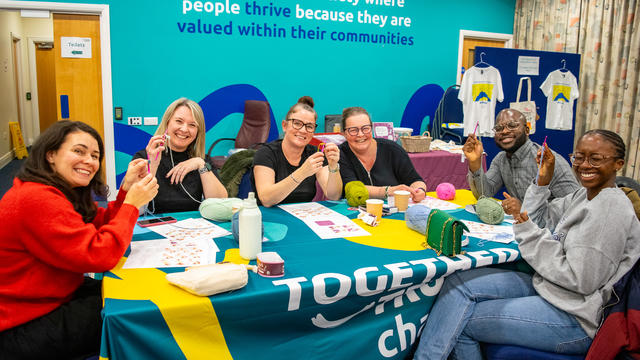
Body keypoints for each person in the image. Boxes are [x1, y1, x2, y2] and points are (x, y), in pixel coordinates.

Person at [414, 129, 640, 360]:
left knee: (461, 320)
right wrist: (542, 183)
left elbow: (579, 280)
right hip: (551, 287)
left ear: (618, 164)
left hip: (577, 315)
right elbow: (535, 218)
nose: (584, 165)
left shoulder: (610, 208)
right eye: (579, 157)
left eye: (596, 159)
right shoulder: (585, 194)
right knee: (457, 282)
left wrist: (531, 234)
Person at [0, 120, 158, 359]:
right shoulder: (36, 199)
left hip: (50, 295)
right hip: (22, 324)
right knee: (138, 311)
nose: (90, 161)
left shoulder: (52, 192)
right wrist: (133, 204)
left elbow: (100, 221)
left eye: (95, 155)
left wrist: (126, 189)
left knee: (133, 289)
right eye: (79, 151)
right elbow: (100, 256)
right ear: (50, 154)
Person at [464, 108, 579, 214]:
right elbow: (484, 194)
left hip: (549, 232)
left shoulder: (548, 161)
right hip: (520, 228)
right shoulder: (501, 159)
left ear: (527, 130)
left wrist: (525, 209)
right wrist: (475, 163)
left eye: (512, 125)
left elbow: (575, 207)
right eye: (499, 128)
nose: (504, 131)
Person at [134, 97, 227, 213]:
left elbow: (220, 204)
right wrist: (152, 165)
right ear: (167, 123)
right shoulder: (144, 157)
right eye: (179, 121)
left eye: (192, 125)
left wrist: (200, 164)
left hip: (193, 227)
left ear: (198, 131)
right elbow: (135, 210)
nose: (184, 129)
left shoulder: (202, 160)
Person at [252, 96, 342, 207]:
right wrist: (302, 172)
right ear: (284, 125)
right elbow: (266, 199)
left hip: (303, 215)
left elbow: (334, 196)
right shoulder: (266, 153)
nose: (303, 130)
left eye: (309, 126)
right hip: (269, 219)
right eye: (297, 123)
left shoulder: (315, 154)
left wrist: (333, 167)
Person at [338, 107, 426, 202]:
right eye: (353, 130)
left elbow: (415, 180)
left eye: (365, 128)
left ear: (371, 128)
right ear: (344, 133)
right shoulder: (340, 154)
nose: (360, 134)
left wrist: (420, 190)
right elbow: (352, 187)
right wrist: (388, 191)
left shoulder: (392, 149)